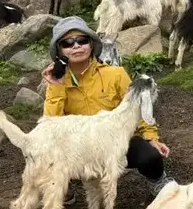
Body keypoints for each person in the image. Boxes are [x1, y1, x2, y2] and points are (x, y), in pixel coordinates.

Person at [42, 16, 175, 198]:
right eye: (67, 43)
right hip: (80, 147)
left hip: (116, 142)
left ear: (91, 45)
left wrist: (151, 137)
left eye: (82, 40)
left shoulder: (115, 74)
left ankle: (158, 180)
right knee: (42, 154)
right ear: (59, 51)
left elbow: (137, 106)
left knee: (149, 155)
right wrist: (57, 86)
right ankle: (63, 187)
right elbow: (51, 125)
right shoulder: (56, 83)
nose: (76, 46)